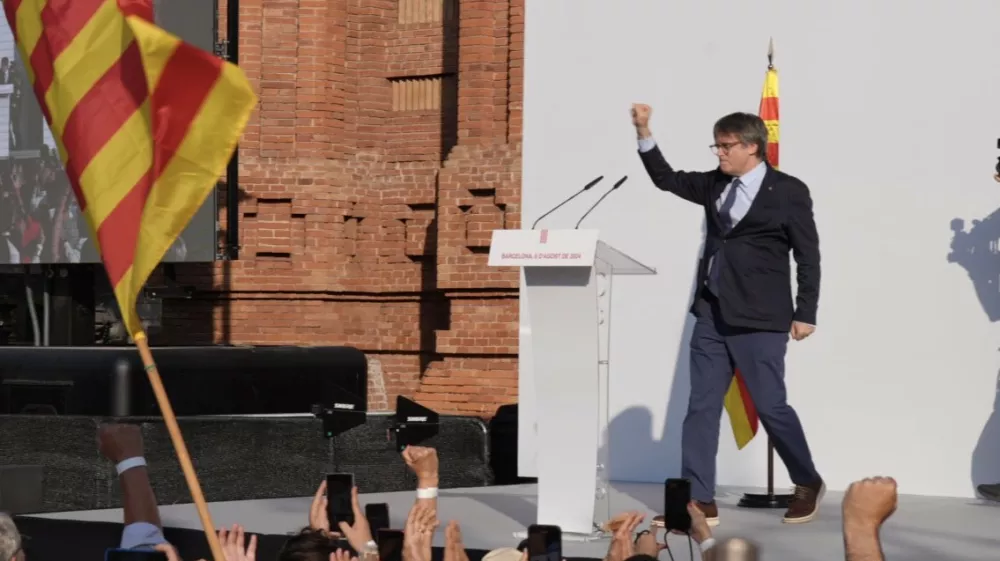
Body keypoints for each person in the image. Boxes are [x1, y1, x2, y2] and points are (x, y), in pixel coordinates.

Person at [631, 104, 824, 525]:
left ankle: (807, 481)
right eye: (716, 145)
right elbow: (666, 179)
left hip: (761, 317)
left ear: (752, 147)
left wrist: (805, 311)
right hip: (711, 314)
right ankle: (700, 499)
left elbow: (808, 255)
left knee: (772, 407)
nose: (718, 153)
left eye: (725, 145)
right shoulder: (715, 184)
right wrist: (644, 131)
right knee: (701, 407)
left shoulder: (789, 191)